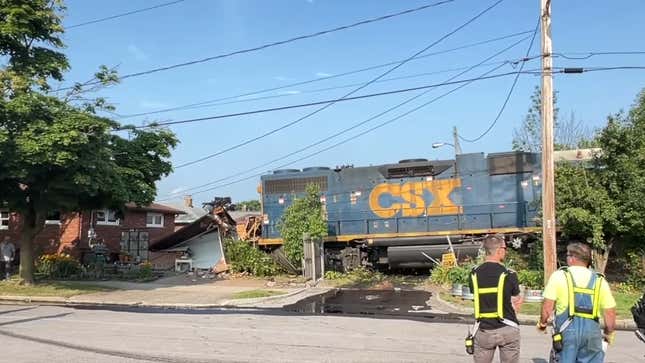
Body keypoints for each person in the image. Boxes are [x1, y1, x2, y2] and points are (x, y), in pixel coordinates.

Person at [538, 242, 616, 363]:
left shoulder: (559, 276)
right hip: (592, 334)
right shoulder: (600, 280)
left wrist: (542, 324)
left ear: (572, 258)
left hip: (567, 333)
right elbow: (610, 312)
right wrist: (608, 333)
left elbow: (547, 308)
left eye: (568, 256)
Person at [468, 234, 524, 363]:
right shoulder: (509, 274)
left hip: (483, 329)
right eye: (505, 248)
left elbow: (475, 296)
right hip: (507, 328)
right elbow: (516, 300)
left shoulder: (474, 274)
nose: (506, 251)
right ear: (499, 250)